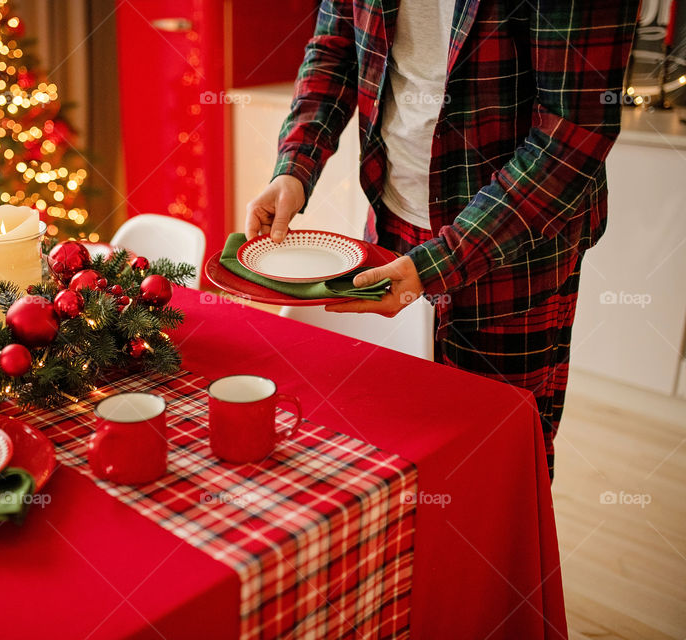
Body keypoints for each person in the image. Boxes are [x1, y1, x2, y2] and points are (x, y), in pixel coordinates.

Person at [245, 0, 640, 479]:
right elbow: (334, 50)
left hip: (515, 252)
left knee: (496, 465)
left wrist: (439, 263)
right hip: (391, 228)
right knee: (390, 444)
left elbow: (574, 131)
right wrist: (294, 165)